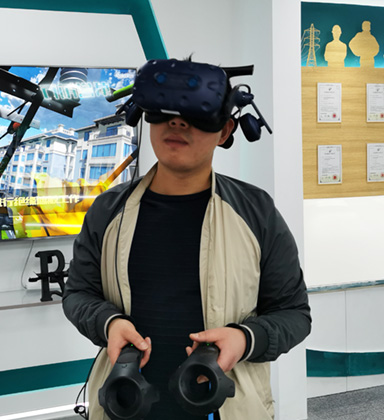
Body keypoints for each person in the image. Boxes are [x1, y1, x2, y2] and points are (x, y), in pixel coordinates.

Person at [62, 58, 311, 420]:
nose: (177, 123)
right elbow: (78, 293)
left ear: (225, 131)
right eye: (164, 112)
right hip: (123, 404)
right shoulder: (108, 211)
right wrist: (109, 323)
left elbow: (294, 313)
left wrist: (245, 338)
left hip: (227, 407)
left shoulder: (256, 212)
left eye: (197, 114)